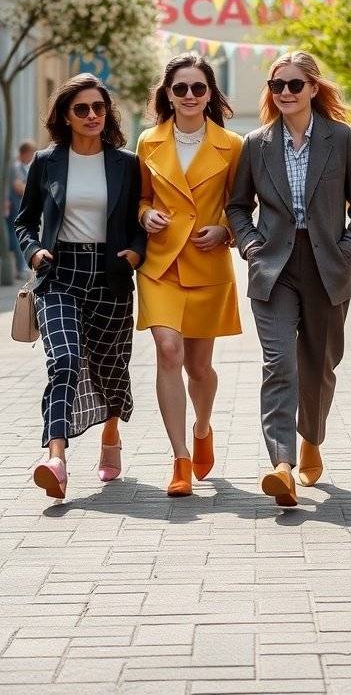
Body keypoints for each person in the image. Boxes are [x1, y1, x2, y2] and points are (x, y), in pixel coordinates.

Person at [226, 51, 351, 507]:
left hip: (327, 266)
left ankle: (311, 436)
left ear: (313, 87)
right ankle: (282, 465)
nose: (285, 93)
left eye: (294, 84)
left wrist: (348, 249)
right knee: (279, 364)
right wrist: (250, 246)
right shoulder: (256, 143)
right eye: (277, 85)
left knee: (319, 365)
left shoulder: (342, 138)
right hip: (273, 268)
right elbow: (237, 206)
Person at [15, 74, 145, 500]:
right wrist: (33, 251)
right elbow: (25, 221)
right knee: (65, 361)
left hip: (110, 274)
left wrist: (136, 251)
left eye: (98, 108)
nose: (92, 116)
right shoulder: (46, 162)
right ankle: (56, 458)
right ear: (65, 117)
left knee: (111, 367)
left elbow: (137, 219)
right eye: (82, 109)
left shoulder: (125, 162)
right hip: (59, 275)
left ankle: (111, 435)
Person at [136, 53, 243, 498]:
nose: (189, 96)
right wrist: (146, 217)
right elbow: (139, 198)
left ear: (210, 94)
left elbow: (244, 206)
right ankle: (179, 457)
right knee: (168, 350)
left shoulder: (233, 145)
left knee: (200, 368)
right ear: (167, 94)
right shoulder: (147, 142)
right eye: (180, 88)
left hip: (207, 260)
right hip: (160, 264)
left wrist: (227, 230)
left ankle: (202, 428)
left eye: (198, 88)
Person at [6, 140, 37, 278]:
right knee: (16, 237)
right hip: (14, 209)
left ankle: (21, 267)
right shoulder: (16, 167)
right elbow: (18, 187)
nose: (31, 157)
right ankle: (21, 268)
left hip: (20, 208)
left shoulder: (23, 167)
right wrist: (35, 191)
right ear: (25, 153)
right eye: (31, 153)